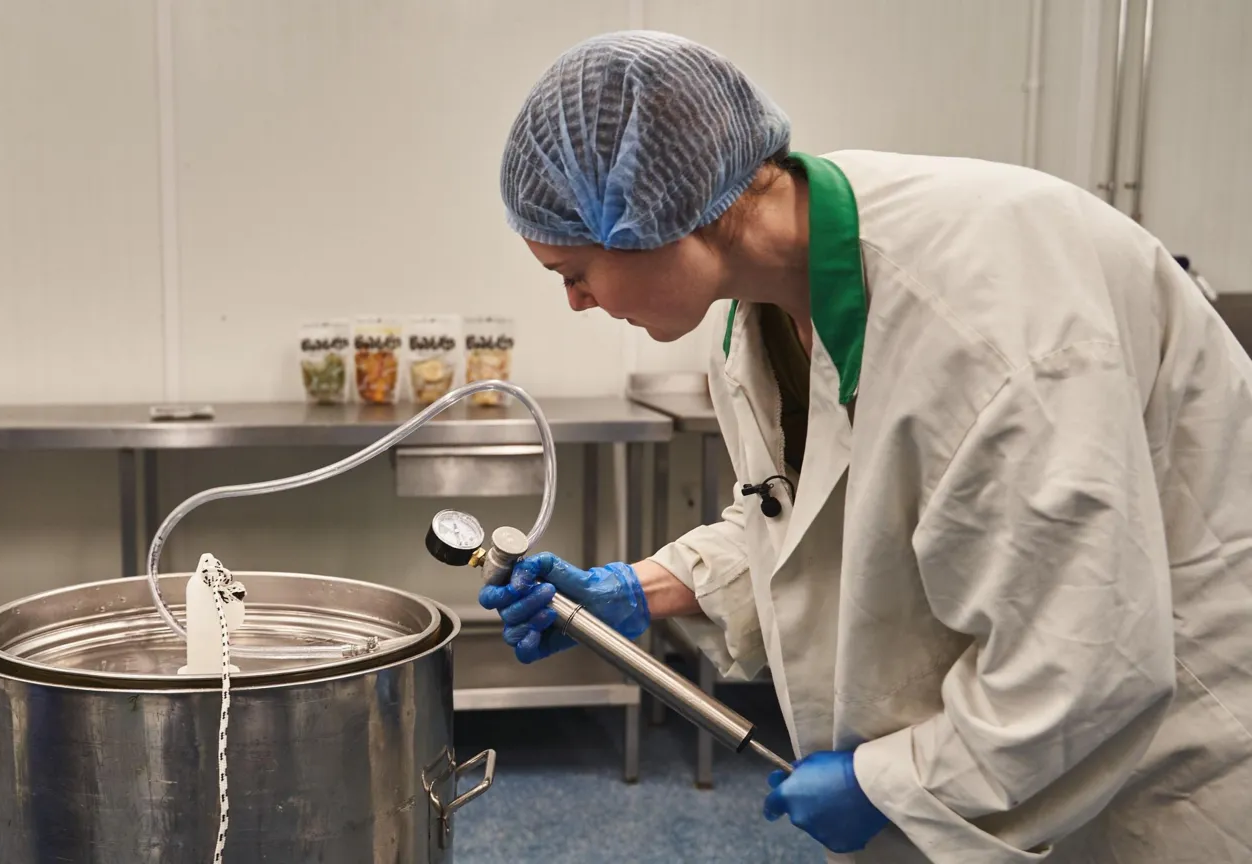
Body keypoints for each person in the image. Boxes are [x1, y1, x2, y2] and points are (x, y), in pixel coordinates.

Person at [484, 30, 1252, 863]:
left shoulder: (983, 323)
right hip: (1027, 717)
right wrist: (640, 592)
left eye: (573, 271)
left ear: (643, 217)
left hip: (1172, 736)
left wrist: (894, 785)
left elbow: (1084, 652)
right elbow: (807, 517)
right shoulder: (760, 309)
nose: (577, 303)